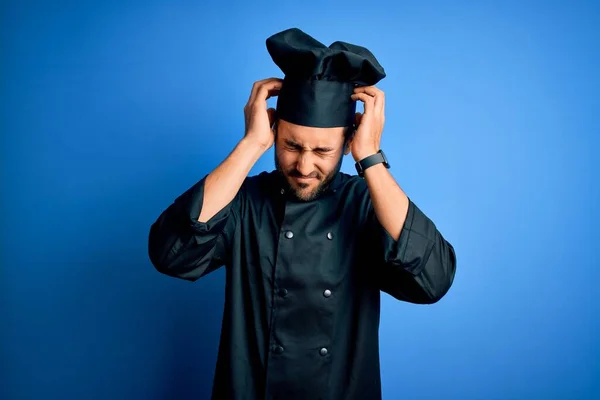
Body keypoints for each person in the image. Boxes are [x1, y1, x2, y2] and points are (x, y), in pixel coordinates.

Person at [148, 27, 456, 400]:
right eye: (291, 145)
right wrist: (250, 144)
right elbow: (170, 254)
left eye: (322, 151)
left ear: (346, 143)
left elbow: (433, 280)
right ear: (275, 131)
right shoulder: (245, 201)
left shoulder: (365, 203)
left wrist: (371, 158)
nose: (304, 165)